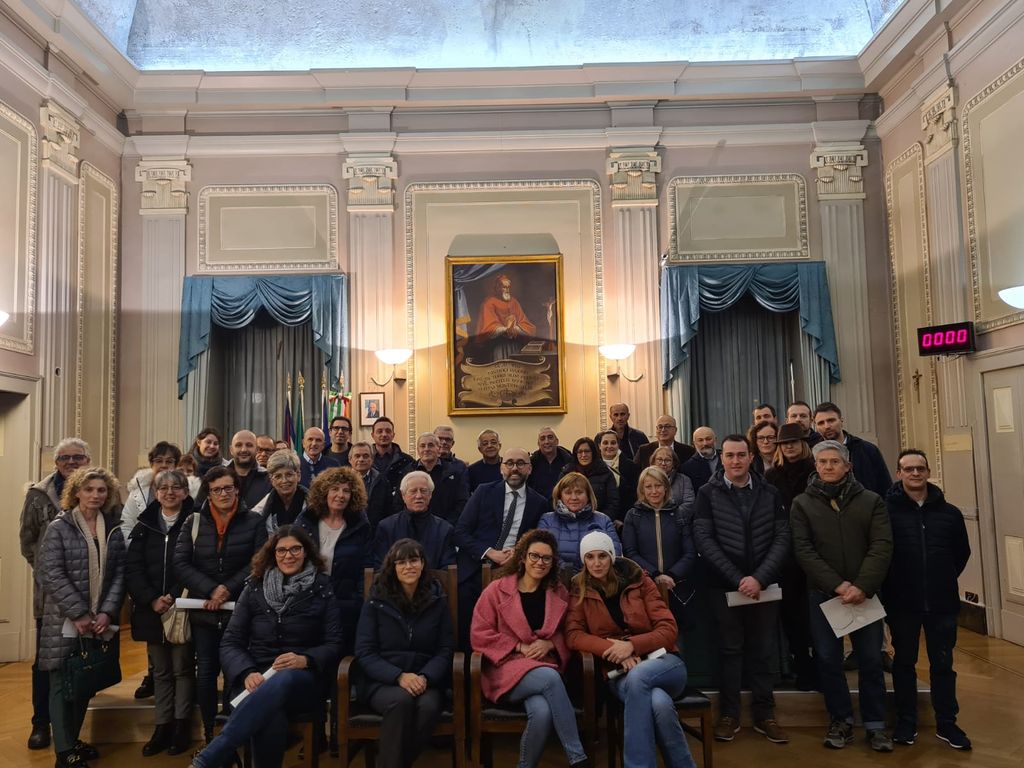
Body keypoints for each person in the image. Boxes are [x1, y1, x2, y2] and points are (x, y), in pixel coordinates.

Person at [189, 526, 341, 768]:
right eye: (281, 550)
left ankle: (209, 758)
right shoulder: (254, 587)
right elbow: (231, 642)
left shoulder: (322, 587)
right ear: (273, 554)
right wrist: (247, 672)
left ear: (306, 553)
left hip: (302, 679)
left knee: (285, 678)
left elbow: (334, 643)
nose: (288, 555)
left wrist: (305, 659)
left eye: (295, 549)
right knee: (270, 716)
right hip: (256, 676)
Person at [790, 440, 894, 752]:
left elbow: (882, 545)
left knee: (871, 660)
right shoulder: (802, 504)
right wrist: (838, 585)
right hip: (823, 595)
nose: (828, 467)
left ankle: (875, 724)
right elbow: (804, 550)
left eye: (835, 462)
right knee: (828, 660)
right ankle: (841, 720)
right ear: (816, 466)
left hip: (865, 595)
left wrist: (861, 585)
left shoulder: (871, 501)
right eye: (823, 462)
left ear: (848, 466)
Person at [566, 531, 696, 768]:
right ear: (583, 560)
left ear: (612, 556)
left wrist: (632, 646)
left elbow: (668, 629)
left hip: (663, 663)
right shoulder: (579, 588)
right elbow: (574, 635)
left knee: (639, 677)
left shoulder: (640, 581)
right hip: (619, 671)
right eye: (590, 557)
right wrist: (615, 651)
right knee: (659, 703)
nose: (596, 563)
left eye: (602, 556)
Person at [692, 434, 791, 744]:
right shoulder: (707, 493)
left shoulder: (770, 492)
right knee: (729, 651)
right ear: (722, 458)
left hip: (764, 586)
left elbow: (782, 536)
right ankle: (729, 715)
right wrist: (738, 579)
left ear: (751, 457)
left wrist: (759, 578)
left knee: (763, 652)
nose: (735, 460)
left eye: (741, 455)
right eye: (730, 455)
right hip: (724, 586)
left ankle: (765, 715)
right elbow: (704, 540)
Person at [470, 529, 590, 768]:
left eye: (547, 558)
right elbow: (479, 634)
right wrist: (518, 646)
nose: (540, 562)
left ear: (552, 562)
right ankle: (578, 758)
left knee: (542, 713)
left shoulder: (558, 592)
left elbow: (569, 631)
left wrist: (551, 643)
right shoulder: (496, 590)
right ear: (523, 557)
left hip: (543, 664)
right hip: (505, 669)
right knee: (550, 678)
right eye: (534, 556)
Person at [37, 465, 126, 768]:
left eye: (101, 490)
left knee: (84, 680)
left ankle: (72, 741)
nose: (95, 495)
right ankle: (64, 753)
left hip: (98, 620)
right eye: (89, 489)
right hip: (63, 620)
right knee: (61, 684)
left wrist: (106, 612)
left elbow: (119, 574)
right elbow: (50, 573)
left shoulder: (112, 528)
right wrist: (78, 613)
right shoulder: (59, 527)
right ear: (76, 492)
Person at [174, 466, 269, 746]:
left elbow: (258, 562)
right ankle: (208, 733)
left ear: (237, 489)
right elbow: (180, 563)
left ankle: (231, 732)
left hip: (239, 609)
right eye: (217, 490)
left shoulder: (254, 521)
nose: (223, 494)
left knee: (233, 672)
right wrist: (211, 589)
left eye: (228, 488)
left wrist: (227, 588)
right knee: (205, 672)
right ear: (209, 493)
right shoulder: (193, 521)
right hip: (203, 609)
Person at [883, 449, 972, 750]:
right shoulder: (886, 512)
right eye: (908, 469)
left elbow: (961, 554)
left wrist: (940, 577)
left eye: (920, 468)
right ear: (899, 473)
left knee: (943, 664)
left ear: (928, 472)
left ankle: (947, 723)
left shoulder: (950, 513)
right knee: (904, 663)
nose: (915, 473)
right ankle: (906, 721)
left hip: (942, 602)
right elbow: (882, 553)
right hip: (902, 601)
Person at [354, 539, 454, 768]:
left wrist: (425, 677)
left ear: (423, 564)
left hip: (425, 680)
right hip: (383, 681)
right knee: (400, 701)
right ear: (393, 567)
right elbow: (365, 652)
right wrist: (398, 676)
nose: (409, 566)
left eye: (414, 560)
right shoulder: (376, 601)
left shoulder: (437, 600)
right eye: (401, 562)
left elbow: (445, 649)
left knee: (428, 708)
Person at [19, 437, 92, 751]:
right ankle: (41, 723)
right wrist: (51, 574)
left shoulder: (100, 488)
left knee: (84, 661)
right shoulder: (38, 494)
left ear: (87, 460)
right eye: (65, 457)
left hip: (90, 594)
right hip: (50, 596)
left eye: (78, 457)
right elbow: (28, 543)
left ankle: (71, 731)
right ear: (56, 462)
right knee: (46, 662)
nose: (71, 462)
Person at [125, 469, 196, 757]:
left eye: (176, 487)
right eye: (163, 488)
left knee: (182, 669)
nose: (169, 492)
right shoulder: (144, 525)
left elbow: (197, 562)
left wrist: (175, 596)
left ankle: (181, 725)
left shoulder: (195, 521)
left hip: (183, 607)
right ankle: (162, 725)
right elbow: (133, 567)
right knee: (162, 671)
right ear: (156, 493)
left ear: (185, 492)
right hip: (152, 609)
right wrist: (152, 599)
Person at [455, 448, 549, 645]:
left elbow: (537, 540)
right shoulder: (483, 492)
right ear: (501, 468)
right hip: (476, 567)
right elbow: (461, 532)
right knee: (466, 615)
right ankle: (469, 658)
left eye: (520, 463)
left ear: (530, 469)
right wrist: (489, 552)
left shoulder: (539, 502)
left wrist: (519, 552)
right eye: (509, 463)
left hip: (515, 570)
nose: (514, 468)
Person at [296, 467, 373, 656]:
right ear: (324, 492)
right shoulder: (306, 521)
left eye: (346, 491)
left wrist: (358, 601)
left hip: (346, 604)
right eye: (335, 489)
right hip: (308, 602)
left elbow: (366, 567)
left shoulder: (360, 525)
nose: (340, 495)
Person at [764, 422, 817, 691]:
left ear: (803, 444)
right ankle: (802, 666)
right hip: (785, 555)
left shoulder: (816, 471)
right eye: (785, 444)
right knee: (792, 614)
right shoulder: (772, 476)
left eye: (794, 442)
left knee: (817, 613)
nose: (789, 447)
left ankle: (822, 667)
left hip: (816, 549)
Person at [621, 466, 696, 638]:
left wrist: (671, 575)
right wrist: (654, 574)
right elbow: (630, 552)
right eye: (648, 487)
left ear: (666, 488)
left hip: (677, 587)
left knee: (681, 637)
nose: (654, 491)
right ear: (642, 489)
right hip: (646, 585)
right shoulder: (633, 516)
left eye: (658, 485)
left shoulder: (679, 514)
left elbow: (690, 552)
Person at [538, 472, 621, 573]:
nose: (574, 497)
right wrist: (566, 570)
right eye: (568, 492)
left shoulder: (604, 520)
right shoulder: (547, 520)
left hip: (594, 578)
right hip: (557, 578)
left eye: (579, 492)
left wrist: (588, 573)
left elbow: (615, 553)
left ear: (588, 495)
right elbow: (541, 551)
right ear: (560, 496)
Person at [373, 471, 456, 569]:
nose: (419, 496)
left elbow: (448, 569)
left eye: (423, 491)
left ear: (430, 495)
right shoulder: (386, 527)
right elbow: (380, 567)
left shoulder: (444, 530)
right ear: (403, 496)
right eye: (413, 491)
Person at [122, 442, 201, 544]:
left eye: (169, 461)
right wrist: (135, 547)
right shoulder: (138, 491)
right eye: (159, 461)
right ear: (151, 464)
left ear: (176, 465)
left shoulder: (189, 492)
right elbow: (126, 525)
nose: (164, 465)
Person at [812, 402, 892, 496]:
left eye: (831, 420)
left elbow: (885, 487)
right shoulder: (813, 455)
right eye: (821, 423)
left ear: (841, 421)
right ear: (816, 427)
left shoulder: (867, 450)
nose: (827, 426)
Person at [397, 432, 469, 524]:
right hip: (412, 525)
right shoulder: (407, 472)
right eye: (422, 446)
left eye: (431, 445)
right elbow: (399, 502)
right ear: (418, 450)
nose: (426, 449)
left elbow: (462, 501)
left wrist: (446, 525)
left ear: (438, 449)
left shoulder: (453, 472)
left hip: (446, 526)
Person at [196, 430, 271, 509]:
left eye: (249, 445)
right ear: (231, 450)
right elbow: (199, 508)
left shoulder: (268, 479)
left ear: (256, 450)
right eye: (238, 445)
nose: (243, 449)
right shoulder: (214, 475)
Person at [475, 273, 538, 362]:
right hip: (498, 345)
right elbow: (489, 327)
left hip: (515, 345)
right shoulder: (489, 303)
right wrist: (506, 329)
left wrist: (516, 328)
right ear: (498, 288)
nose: (507, 290)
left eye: (508, 287)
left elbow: (524, 322)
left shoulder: (514, 302)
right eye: (504, 287)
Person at [561, 437, 620, 522]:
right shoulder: (566, 473)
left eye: (587, 451)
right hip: (569, 521)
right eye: (580, 452)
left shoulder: (605, 473)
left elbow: (613, 502)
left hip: (599, 522)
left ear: (593, 453)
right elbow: (557, 499)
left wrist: (600, 520)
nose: (583, 455)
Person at [252, 450, 308, 531]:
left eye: (289, 474)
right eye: (278, 476)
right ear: (271, 480)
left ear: (298, 475)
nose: (284, 481)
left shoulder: (315, 506)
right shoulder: (260, 511)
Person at [349, 440, 394, 530]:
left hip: (375, 531)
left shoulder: (382, 481)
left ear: (372, 460)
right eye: (357, 456)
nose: (361, 459)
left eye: (365, 456)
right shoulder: (341, 481)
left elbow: (388, 510)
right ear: (350, 460)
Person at [370, 417, 415, 502]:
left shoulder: (407, 461)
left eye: (388, 431)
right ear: (372, 435)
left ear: (393, 435)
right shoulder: (364, 460)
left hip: (398, 505)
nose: (384, 434)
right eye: (379, 431)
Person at [597, 430, 640, 514]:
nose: (609, 446)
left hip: (625, 516)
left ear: (618, 445)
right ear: (599, 446)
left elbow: (635, 494)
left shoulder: (631, 466)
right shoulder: (594, 467)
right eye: (605, 443)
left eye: (613, 443)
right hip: (601, 516)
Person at [649, 446, 695, 517]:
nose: (663, 463)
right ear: (653, 462)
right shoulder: (646, 480)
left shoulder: (684, 480)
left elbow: (689, 504)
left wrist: (670, 516)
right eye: (659, 459)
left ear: (674, 463)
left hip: (677, 520)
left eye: (667, 460)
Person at [528, 427, 572, 501]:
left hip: (563, 504)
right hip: (538, 504)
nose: (547, 442)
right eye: (542, 439)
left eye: (550, 437)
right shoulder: (531, 463)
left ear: (557, 441)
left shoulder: (569, 462)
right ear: (538, 444)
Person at [680, 426, 720, 490]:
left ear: (715, 440)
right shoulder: (687, 468)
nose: (705, 443)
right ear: (694, 443)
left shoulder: (727, 457)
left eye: (708, 439)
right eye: (700, 440)